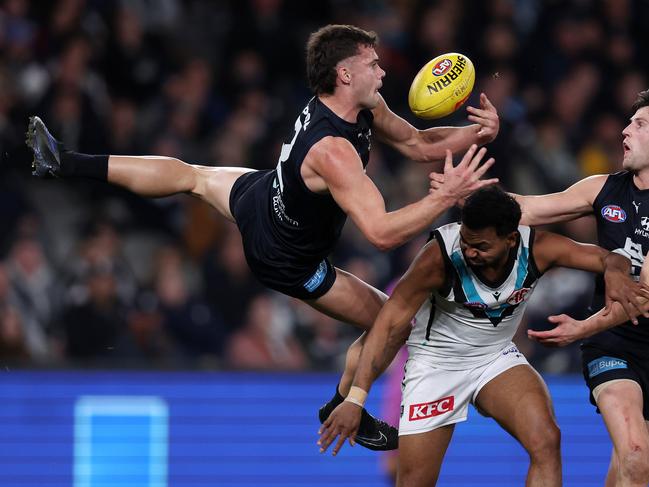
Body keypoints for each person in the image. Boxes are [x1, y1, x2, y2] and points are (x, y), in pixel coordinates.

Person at [25, 24, 500, 450]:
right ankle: (340, 405)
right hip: (288, 257)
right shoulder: (334, 151)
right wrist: (445, 198)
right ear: (344, 75)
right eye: (372, 64)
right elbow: (379, 233)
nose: (382, 70)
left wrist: (476, 134)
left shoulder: (360, 103)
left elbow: (418, 144)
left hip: (263, 193)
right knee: (394, 321)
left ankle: (65, 162)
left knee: (191, 176)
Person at [317, 186, 635, 487]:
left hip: (494, 358)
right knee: (414, 482)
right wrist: (356, 398)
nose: (470, 251)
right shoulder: (438, 258)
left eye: (481, 246)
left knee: (546, 440)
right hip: (435, 366)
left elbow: (608, 256)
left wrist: (616, 271)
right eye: (467, 241)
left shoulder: (538, 249)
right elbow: (388, 327)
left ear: (511, 239)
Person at [518, 90, 649, 487]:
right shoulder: (603, 188)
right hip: (614, 345)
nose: (625, 130)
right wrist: (465, 192)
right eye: (628, 122)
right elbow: (528, 207)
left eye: (640, 124)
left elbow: (643, 296)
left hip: (604, 325)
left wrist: (581, 327)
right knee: (637, 458)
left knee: (627, 467)